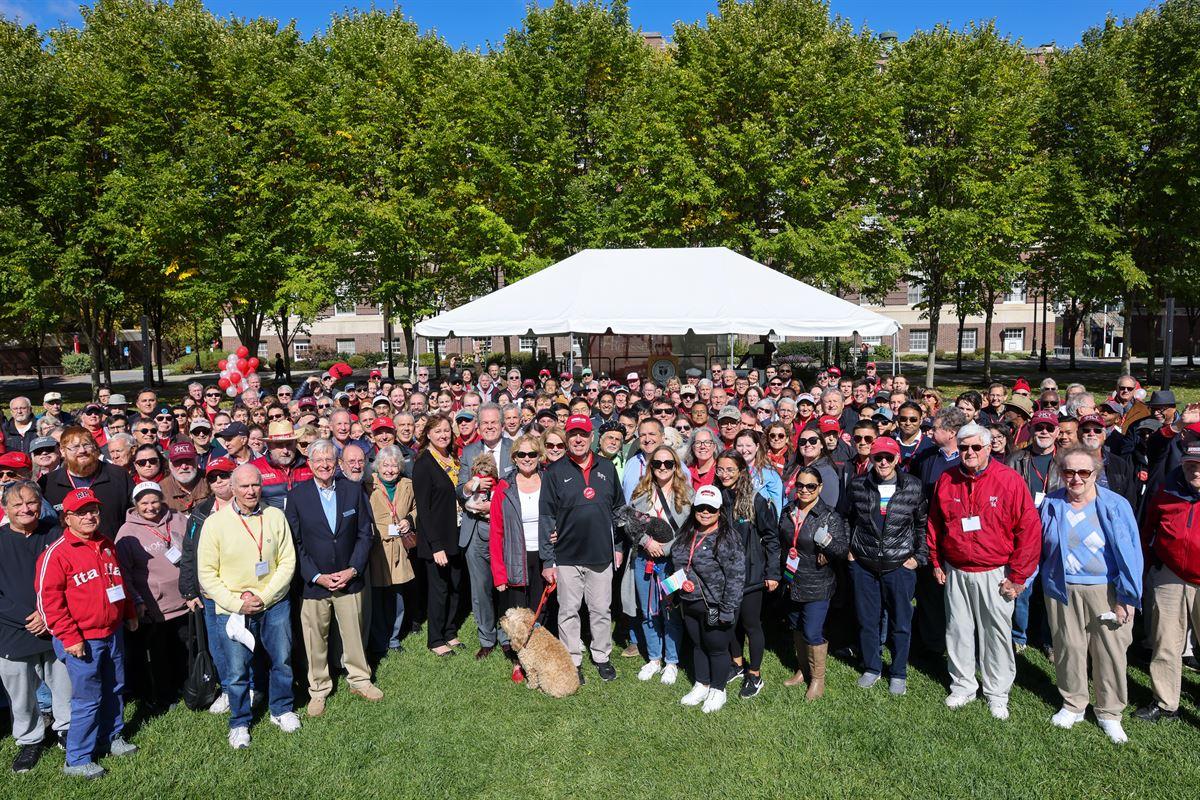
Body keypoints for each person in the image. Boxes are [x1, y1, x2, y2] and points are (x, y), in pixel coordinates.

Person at [927, 423, 1041, 720]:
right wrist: (936, 561)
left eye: (976, 447)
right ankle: (963, 685)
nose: (969, 453)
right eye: (964, 447)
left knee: (997, 634)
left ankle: (997, 692)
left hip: (996, 571)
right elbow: (935, 524)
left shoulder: (1009, 480)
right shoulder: (947, 479)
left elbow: (1028, 530)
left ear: (989, 448)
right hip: (957, 569)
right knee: (958, 630)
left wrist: (1018, 576)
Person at [1039, 446, 1142, 744]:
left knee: (1109, 650)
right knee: (1068, 646)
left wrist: (1127, 597)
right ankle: (1073, 704)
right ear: (1060, 473)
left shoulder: (1115, 505)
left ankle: (1110, 713)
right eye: (1069, 472)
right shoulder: (1051, 503)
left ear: (1095, 474)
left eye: (1084, 472)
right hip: (1062, 587)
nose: (1076, 479)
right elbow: (1039, 547)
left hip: (1106, 590)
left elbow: (1131, 553)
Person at [35, 487, 138, 779]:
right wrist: (70, 637)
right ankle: (77, 758)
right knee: (87, 698)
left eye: (93, 510)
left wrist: (128, 612)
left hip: (112, 631)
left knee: (115, 687)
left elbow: (119, 582)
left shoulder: (106, 544)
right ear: (67, 518)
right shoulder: (57, 554)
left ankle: (111, 735)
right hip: (82, 638)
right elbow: (49, 603)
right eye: (82, 513)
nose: (90, 517)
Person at [197, 464, 300, 749]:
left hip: (274, 603)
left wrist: (265, 597)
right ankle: (240, 722)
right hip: (232, 608)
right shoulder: (215, 523)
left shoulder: (275, 516)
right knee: (236, 671)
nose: (251, 491)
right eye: (244, 486)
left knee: (281, 660)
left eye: (255, 485)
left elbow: (287, 561)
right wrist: (235, 603)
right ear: (232, 488)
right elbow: (206, 573)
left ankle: (282, 709)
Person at [286, 440, 381, 716]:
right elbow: (295, 542)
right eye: (319, 461)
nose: (325, 465)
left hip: (349, 579)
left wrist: (353, 569)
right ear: (310, 464)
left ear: (337, 463)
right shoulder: (297, 496)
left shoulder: (352, 491)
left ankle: (360, 679)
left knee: (353, 635)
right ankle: (318, 689)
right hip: (314, 583)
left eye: (329, 459)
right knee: (316, 639)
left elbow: (365, 533)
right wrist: (316, 576)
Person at [539, 414, 623, 683]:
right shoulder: (554, 472)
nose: (578, 439)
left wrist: (618, 546)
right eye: (573, 433)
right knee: (568, 611)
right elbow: (546, 518)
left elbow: (618, 511)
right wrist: (547, 561)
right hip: (567, 556)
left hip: (601, 554)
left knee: (601, 610)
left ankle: (601, 656)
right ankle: (572, 659)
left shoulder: (607, 469)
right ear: (566, 437)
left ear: (591, 437)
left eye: (583, 434)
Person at [844, 437, 926, 694]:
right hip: (864, 563)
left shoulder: (913, 486)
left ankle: (898, 671)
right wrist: (850, 550)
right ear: (871, 458)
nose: (883, 462)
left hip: (899, 564)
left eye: (888, 457)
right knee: (868, 619)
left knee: (901, 621)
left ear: (897, 459)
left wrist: (919, 557)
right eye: (878, 457)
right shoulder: (858, 485)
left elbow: (923, 524)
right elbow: (846, 519)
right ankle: (872, 667)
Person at [0, 481, 70, 774]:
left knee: (65, 686)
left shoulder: (55, 535)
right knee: (21, 692)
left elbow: (67, 577)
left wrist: (45, 614)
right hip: (12, 631)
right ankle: (30, 739)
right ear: (6, 509)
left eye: (31, 502)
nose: (26, 509)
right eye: (18, 505)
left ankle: (68, 730)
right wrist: (27, 616)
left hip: (53, 625)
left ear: (40, 505)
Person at [1135, 435, 1200, 724]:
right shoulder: (1167, 491)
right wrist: (1150, 566)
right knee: (1165, 641)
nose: (1195, 471)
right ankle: (1166, 703)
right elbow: (1149, 529)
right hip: (1169, 575)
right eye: (1190, 465)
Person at [114, 481, 190, 711]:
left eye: (155, 501)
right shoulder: (127, 533)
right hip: (155, 606)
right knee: (159, 654)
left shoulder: (177, 519)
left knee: (184, 649)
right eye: (144, 503)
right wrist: (137, 601)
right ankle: (164, 695)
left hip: (184, 599)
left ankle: (187, 686)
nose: (151, 507)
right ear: (136, 505)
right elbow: (124, 573)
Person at [672, 485, 745, 714]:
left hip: (715, 604)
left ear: (719, 511)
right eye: (701, 507)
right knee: (698, 645)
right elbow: (678, 562)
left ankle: (718, 689)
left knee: (716, 648)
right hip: (689, 601)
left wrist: (728, 609)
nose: (705, 512)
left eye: (711, 509)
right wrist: (673, 591)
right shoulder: (688, 531)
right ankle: (702, 684)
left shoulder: (727, 537)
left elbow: (736, 576)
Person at [778, 466, 847, 700]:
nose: (804, 490)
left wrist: (825, 544)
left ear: (820, 488)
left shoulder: (829, 516)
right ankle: (803, 669)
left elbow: (842, 549)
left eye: (810, 486)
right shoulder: (788, 510)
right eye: (800, 486)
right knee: (796, 626)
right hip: (792, 578)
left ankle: (817, 680)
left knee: (811, 630)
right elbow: (782, 541)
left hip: (817, 582)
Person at [715, 450, 779, 698]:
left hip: (751, 574)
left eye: (730, 469)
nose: (724, 474)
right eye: (720, 469)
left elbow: (771, 538)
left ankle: (755, 674)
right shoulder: (715, 496)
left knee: (751, 625)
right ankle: (738, 664)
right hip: (723, 574)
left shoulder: (755, 499)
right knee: (729, 623)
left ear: (741, 471)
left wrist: (772, 572)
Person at [627, 445, 691, 687]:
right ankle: (654, 658)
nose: (662, 468)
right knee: (648, 611)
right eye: (657, 463)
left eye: (668, 463)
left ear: (676, 466)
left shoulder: (687, 495)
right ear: (650, 468)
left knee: (670, 611)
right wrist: (646, 542)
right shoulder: (640, 493)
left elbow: (688, 532)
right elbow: (630, 524)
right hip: (644, 559)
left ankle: (672, 661)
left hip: (672, 563)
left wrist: (663, 549)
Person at [176, 455, 236, 714]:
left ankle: (253, 685)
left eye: (224, 475)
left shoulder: (251, 506)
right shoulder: (200, 513)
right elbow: (189, 551)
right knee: (218, 644)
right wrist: (189, 589)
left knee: (246, 641)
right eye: (213, 477)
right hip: (210, 592)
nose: (219, 481)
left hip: (241, 589)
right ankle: (229, 689)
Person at [456, 404, 513, 660]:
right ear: (478, 427)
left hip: (505, 531)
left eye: (494, 422)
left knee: (505, 586)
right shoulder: (469, 452)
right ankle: (486, 638)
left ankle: (507, 637)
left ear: (502, 425)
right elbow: (459, 490)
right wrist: (469, 492)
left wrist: (496, 506)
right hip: (475, 528)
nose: (489, 427)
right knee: (480, 589)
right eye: (485, 423)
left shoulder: (514, 450)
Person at [411, 414, 464, 657]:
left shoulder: (452, 459)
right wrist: (435, 546)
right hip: (437, 539)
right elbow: (423, 509)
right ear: (428, 434)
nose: (443, 435)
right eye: (438, 431)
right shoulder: (423, 463)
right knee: (439, 589)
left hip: (457, 533)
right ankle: (435, 639)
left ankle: (450, 631)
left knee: (454, 586)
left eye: (447, 431)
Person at [366, 445, 416, 660]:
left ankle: (394, 639)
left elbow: (416, 508)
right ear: (378, 466)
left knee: (397, 598)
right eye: (385, 465)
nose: (389, 470)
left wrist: (409, 520)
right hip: (378, 550)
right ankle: (379, 641)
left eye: (394, 465)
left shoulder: (408, 485)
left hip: (400, 550)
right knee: (378, 599)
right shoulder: (368, 486)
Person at [40, 427, 134, 539]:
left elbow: (135, 514)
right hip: (70, 553)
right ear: (62, 451)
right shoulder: (48, 483)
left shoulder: (118, 475)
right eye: (75, 447)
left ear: (94, 447)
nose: (82, 451)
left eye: (87, 445)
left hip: (114, 549)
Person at [158, 441, 211, 513]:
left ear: (196, 460)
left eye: (188, 461)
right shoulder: (160, 490)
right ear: (170, 464)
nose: (184, 467)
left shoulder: (210, 479)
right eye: (178, 461)